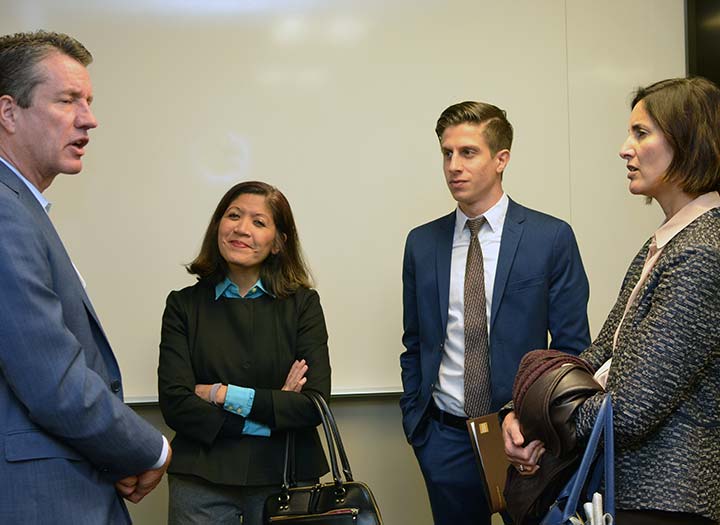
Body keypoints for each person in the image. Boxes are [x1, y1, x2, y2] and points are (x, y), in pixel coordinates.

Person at [503, 77, 720, 525]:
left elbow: (631, 409)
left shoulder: (701, 251)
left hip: (668, 498)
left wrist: (540, 422)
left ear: (688, 141)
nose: (625, 148)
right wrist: (521, 410)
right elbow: (600, 356)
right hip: (633, 490)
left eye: (641, 133)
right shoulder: (666, 243)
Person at [0, 31, 170, 523]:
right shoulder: (7, 214)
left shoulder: (22, 207)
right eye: (68, 100)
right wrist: (151, 449)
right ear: (8, 113)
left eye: (89, 102)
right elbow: (52, 379)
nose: (89, 119)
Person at [400, 100, 591, 525]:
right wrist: (419, 427)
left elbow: (572, 349)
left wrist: (538, 427)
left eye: (468, 152)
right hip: (444, 436)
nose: (454, 165)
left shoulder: (550, 237)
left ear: (501, 159)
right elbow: (415, 342)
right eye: (447, 153)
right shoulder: (422, 243)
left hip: (525, 437)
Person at [158, 180, 331, 524]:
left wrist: (220, 394)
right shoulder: (183, 305)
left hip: (287, 473)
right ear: (217, 226)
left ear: (279, 242)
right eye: (233, 215)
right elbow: (176, 403)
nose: (241, 228)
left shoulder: (303, 305)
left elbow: (312, 404)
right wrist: (269, 416)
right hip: (201, 477)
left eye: (259, 222)